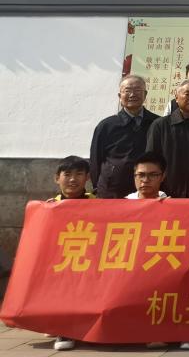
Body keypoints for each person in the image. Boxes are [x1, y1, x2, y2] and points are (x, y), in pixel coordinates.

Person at [48, 158, 93, 351]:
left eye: (79, 174)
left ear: (87, 177)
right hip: (62, 262)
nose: (73, 179)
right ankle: (64, 330)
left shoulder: (99, 203)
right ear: (57, 178)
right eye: (67, 174)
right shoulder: (49, 207)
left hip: (90, 261)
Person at [89, 75, 159, 197]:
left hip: (147, 189)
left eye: (137, 90)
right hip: (112, 190)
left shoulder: (157, 123)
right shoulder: (106, 126)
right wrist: (97, 188)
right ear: (119, 96)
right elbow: (95, 159)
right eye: (127, 91)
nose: (132, 94)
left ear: (145, 94)